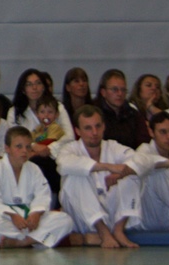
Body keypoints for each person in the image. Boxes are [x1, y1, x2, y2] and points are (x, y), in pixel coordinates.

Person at [57, 105, 142, 248]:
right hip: (81, 220)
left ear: (104, 127)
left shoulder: (113, 147)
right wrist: (107, 167)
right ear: (78, 131)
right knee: (75, 176)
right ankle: (103, 233)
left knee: (131, 172)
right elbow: (63, 164)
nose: (94, 132)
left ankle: (119, 230)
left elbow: (139, 160)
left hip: (112, 216)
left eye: (98, 126)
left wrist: (121, 173)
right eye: (88, 128)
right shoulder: (69, 149)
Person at [0, 126, 73, 248]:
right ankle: (37, 238)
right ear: (7, 148)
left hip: (29, 219)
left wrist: (36, 213)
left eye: (28, 147)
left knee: (65, 220)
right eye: (19, 146)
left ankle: (22, 242)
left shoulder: (34, 169)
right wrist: (13, 215)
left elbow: (42, 195)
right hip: (6, 218)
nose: (24, 151)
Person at [133, 112, 169, 232]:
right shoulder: (144, 150)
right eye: (163, 132)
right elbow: (148, 164)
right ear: (151, 132)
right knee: (157, 172)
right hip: (152, 216)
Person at [93, 69, 148, 149]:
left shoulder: (133, 114)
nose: (120, 94)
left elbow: (143, 142)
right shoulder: (93, 114)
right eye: (115, 89)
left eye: (123, 90)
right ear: (103, 92)